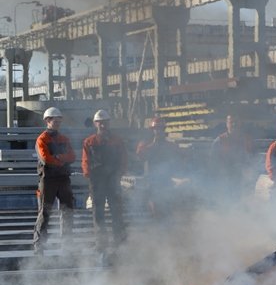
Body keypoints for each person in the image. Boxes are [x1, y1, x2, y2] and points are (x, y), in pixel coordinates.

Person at [82, 109, 127, 252]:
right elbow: (85, 160)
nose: (102, 125)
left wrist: (120, 173)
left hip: (113, 179)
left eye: (105, 123)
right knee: (98, 211)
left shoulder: (117, 140)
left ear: (109, 123)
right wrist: (88, 174)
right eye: (100, 123)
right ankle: (101, 242)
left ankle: (119, 239)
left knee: (116, 209)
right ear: (95, 124)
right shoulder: (89, 141)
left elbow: (123, 158)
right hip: (97, 181)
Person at [33, 107, 76, 255]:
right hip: (48, 179)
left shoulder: (64, 139)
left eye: (59, 121)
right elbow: (46, 159)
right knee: (44, 213)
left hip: (63, 178)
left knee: (67, 211)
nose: (57, 124)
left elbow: (72, 156)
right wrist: (61, 160)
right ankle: (39, 247)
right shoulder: (42, 139)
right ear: (47, 121)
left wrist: (59, 158)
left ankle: (67, 245)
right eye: (54, 121)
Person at [135, 116, 182, 218]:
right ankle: (157, 223)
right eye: (156, 129)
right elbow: (140, 156)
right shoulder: (145, 144)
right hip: (151, 180)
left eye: (161, 129)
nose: (159, 131)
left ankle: (166, 225)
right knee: (154, 206)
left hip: (166, 180)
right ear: (152, 130)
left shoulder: (170, 145)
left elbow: (179, 158)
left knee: (168, 206)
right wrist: (153, 145)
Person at [211, 114, 256, 201]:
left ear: (240, 124)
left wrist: (250, 170)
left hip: (243, 176)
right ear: (227, 124)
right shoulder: (220, 141)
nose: (234, 125)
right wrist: (220, 173)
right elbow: (213, 161)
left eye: (236, 122)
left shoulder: (247, 139)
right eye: (231, 122)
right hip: (225, 176)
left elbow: (254, 157)